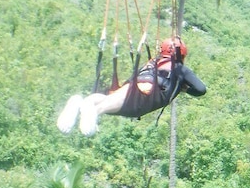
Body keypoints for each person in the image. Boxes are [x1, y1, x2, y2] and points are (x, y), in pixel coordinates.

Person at [57, 36, 206, 136]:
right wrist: (185, 88)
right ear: (182, 55)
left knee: (110, 100)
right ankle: (94, 110)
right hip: (147, 95)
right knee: (116, 107)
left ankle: (84, 102)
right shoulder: (180, 68)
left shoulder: (152, 63)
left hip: (135, 87)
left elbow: (133, 80)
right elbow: (201, 89)